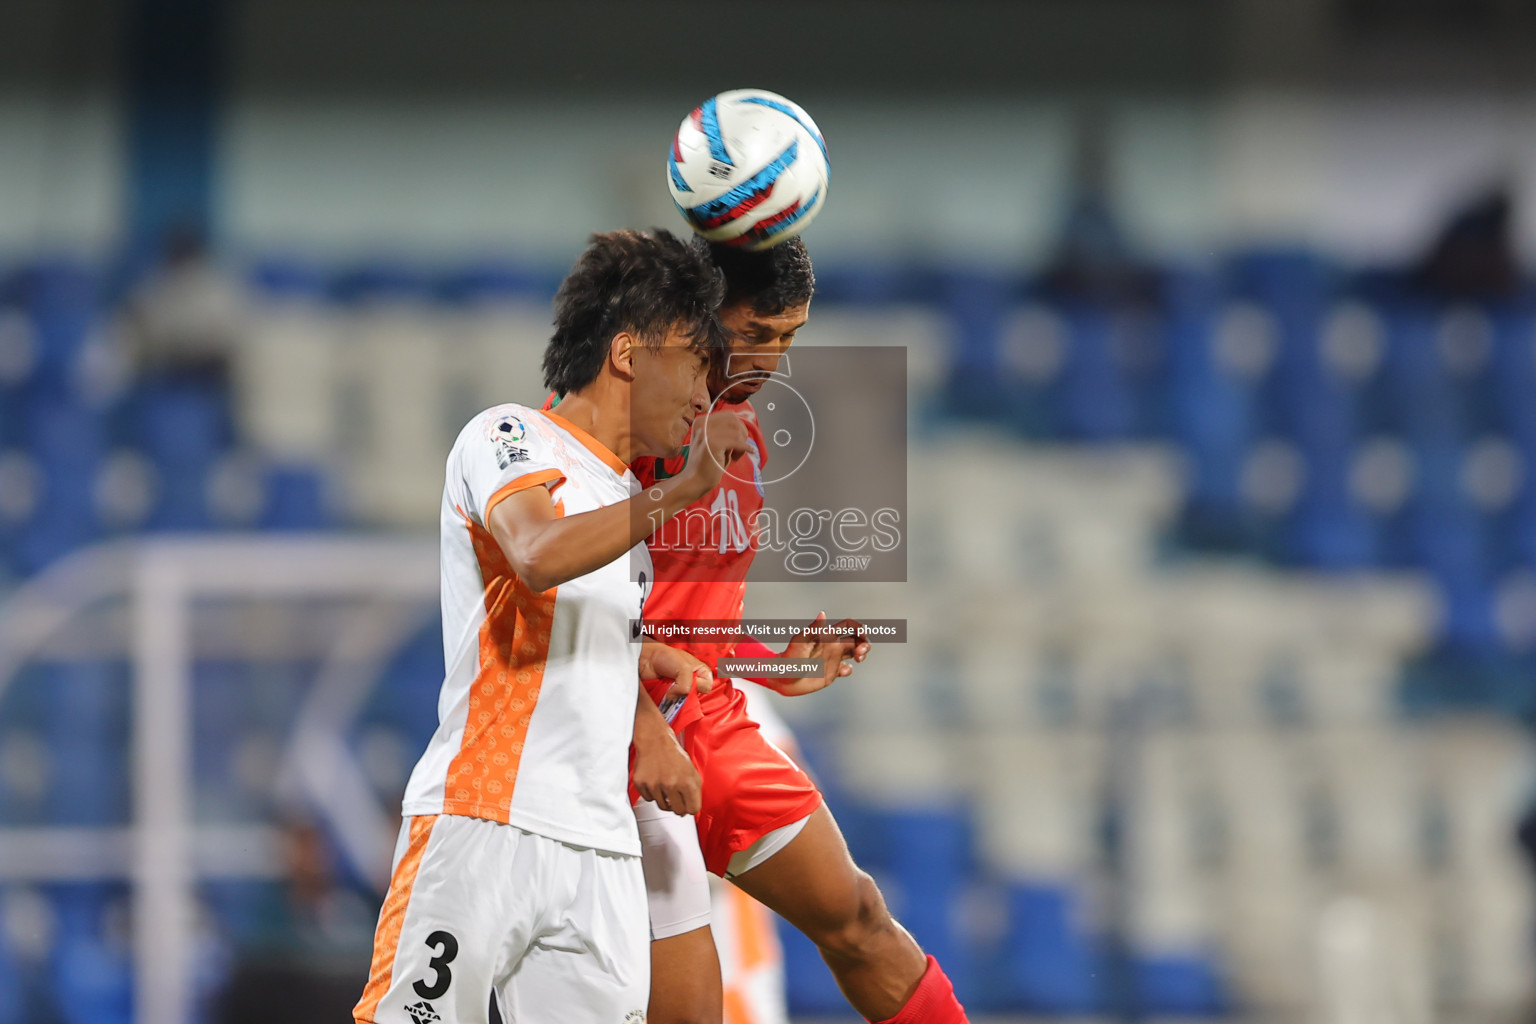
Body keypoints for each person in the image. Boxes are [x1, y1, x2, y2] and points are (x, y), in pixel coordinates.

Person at [352, 228, 750, 1024]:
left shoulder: (620, 502)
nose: (707, 397)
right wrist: (682, 493)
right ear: (629, 354)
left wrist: (649, 673)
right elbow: (534, 554)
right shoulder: (508, 437)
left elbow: (577, 636)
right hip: (484, 819)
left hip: (598, 851)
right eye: (694, 366)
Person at [636, 237, 971, 1024]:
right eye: (756, 334)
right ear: (698, 319)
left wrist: (770, 665)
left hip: (705, 726)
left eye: (790, 337)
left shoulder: (742, 438)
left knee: (858, 916)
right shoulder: (626, 422)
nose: (774, 360)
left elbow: (690, 613)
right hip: (605, 738)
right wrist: (640, 716)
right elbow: (567, 595)